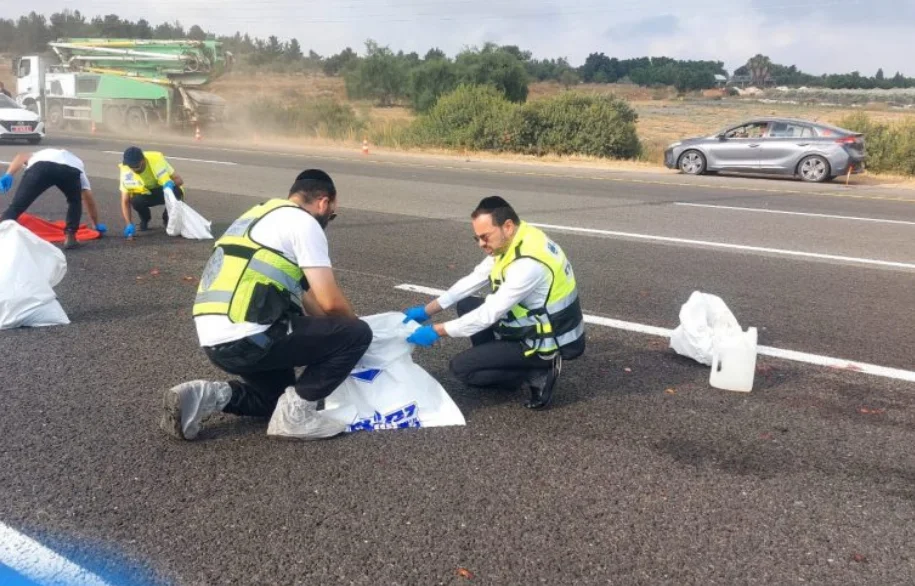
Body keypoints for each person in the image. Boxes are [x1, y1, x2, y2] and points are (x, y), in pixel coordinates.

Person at [160, 169, 373, 441]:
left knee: (274, 399)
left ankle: (203, 395)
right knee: (358, 334)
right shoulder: (303, 223)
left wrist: (337, 331)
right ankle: (295, 419)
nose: (327, 219)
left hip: (216, 340)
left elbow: (312, 303)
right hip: (250, 337)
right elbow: (331, 303)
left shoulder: (258, 216)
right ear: (323, 202)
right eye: (331, 214)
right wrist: (356, 332)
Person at [402, 196, 585, 410]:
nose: (481, 244)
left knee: (462, 370)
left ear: (507, 226)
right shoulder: (519, 238)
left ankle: (536, 370)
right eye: (477, 238)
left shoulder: (528, 264)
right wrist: (427, 310)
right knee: (466, 304)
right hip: (533, 322)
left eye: (485, 237)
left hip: (545, 340)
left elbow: (488, 314)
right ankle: (501, 359)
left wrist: (436, 330)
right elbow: (474, 279)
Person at [0, 149, 106, 249]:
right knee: (74, 201)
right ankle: (70, 237)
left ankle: (2, 227)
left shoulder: (40, 154)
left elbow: (21, 156)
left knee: (17, 206)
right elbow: (88, 197)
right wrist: (95, 224)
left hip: (40, 167)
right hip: (70, 170)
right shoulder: (77, 163)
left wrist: (8, 174)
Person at [118, 146, 185, 238]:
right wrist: (128, 224)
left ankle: (168, 218)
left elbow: (180, 180)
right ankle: (145, 219)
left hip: (162, 191)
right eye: (131, 166)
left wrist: (171, 184)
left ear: (143, 160)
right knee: (136, 201)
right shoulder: (126, 171)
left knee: (177, 191)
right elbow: (125, 201)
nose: (133, 169)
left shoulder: (157, 161)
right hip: (145, 195)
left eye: (136, 166)